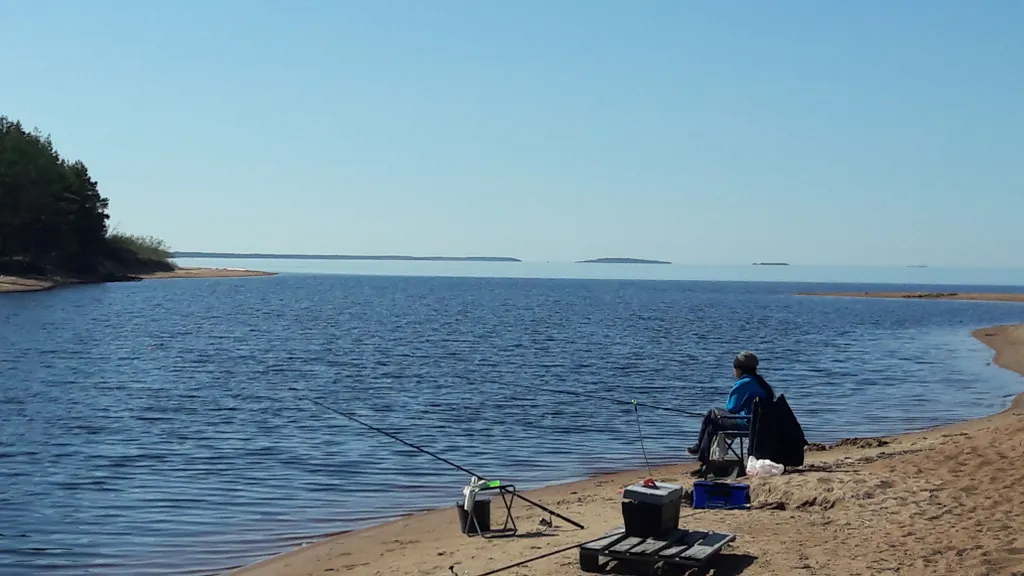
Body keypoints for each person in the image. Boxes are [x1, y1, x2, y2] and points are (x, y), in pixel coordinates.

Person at [686, 351, 776, 465]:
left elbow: (731, 408)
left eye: (734, 368)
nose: (733, 371)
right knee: (712, 425)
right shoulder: (761, 383)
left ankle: (700, 450)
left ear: (739, 369)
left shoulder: (744, 383)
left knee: (712, 413)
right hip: (761, 424)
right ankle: (704, 459)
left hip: (747, 424)